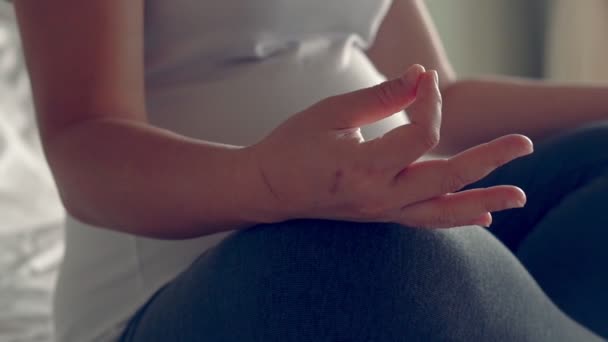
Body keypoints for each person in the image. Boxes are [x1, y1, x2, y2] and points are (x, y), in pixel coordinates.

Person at [10, 0, 608, 340]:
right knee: (381, 263)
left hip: (383, 221)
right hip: (179, 288)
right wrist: (265, 184)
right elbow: (83, 144)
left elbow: (442, 94)